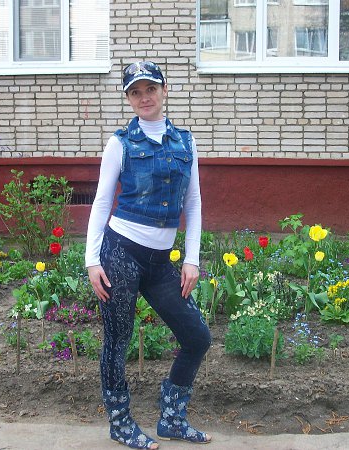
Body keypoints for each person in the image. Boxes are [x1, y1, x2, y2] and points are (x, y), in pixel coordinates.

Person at [85, 61, 212, 450]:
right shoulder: (120, 143)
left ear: (164, 90)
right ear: (128, 98)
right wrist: (92, 260)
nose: (144, 97)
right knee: (117, 342)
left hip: (160, 263)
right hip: (120, 253)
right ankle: (120, 423)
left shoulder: (185, 142)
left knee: (196, 337)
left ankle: (171, 418)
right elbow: (101, 201)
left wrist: (191, 258)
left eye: (150, 89)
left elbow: (193, 202)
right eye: (135, 92)